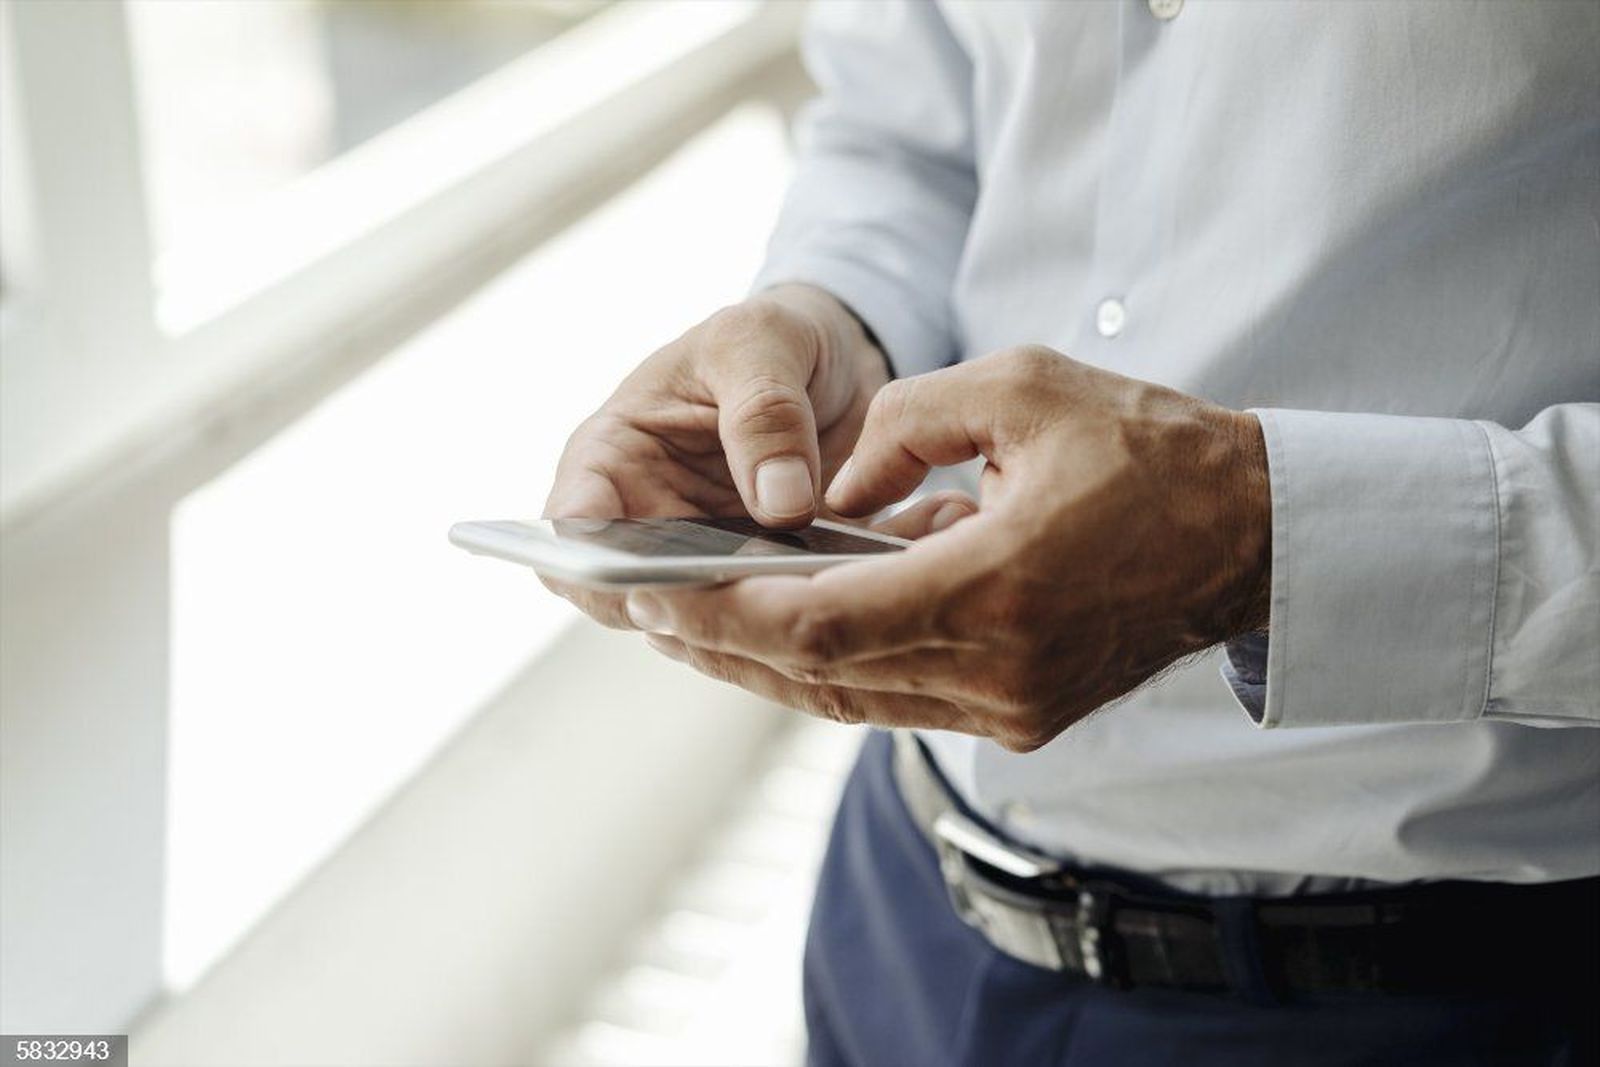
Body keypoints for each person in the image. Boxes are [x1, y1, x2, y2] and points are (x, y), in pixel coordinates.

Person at [545, 2, 1599, 1063]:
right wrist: (839, 319)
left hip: (1456, 995)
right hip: (902, 904)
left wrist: (1259, 536)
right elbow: (906, 125)